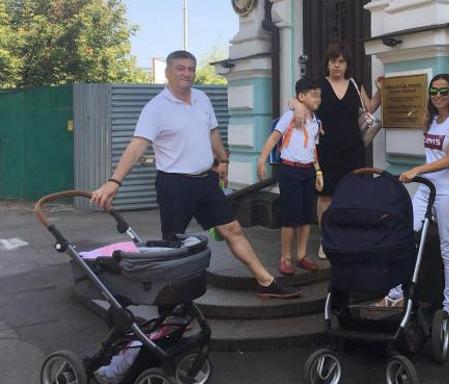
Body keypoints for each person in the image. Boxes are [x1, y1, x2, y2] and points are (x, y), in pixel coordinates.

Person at [91, 50, 301, 299]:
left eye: (191, 68)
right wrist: (115, 182)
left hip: (206, 182)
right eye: (180, 68)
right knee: (173, 245)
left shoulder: (201, 98)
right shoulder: (155, 108)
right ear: (168, 72)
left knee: (232, 228)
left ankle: (265, 282)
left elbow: (212, 132)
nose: (187, 73)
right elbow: (137, 146)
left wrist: (222, 159)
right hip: (174, 185)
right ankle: (168, 298)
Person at [375, 74, 449, 328]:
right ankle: (395, 295)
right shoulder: (433, 120)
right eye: (434, 91)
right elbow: (432, 151)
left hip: (447, 191)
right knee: (405, 236)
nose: (438, 96)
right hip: (427, 190)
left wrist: (417, 171)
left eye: (443, 91)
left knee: (448, 249)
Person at [293, 40, 382, 259]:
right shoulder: (318, 85)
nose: (337, 66)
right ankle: (326, 239)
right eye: (333, 61)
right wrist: (295, 106)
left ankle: (347, 236)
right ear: (327, 63)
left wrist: (381, 91)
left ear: (347, 64)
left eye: (341, 61)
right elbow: (299, 101)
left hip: (353, 150)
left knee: (352, 195)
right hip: (326, 150)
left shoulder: (354, 84)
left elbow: (369, 107)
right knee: (326, 197)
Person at [257, 77, 324, 276]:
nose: (318, 99)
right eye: (314, 95)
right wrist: (261, 160)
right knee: (291, 217)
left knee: (305, 216)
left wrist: (318, 171)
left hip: (308, 171)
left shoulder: (316, 122)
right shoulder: (290, 116)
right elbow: (274, 137)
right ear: (301, 96)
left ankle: (301, 256)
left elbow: (313, 149)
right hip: (289, 171)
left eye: (319, 95)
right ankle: (285, 258)